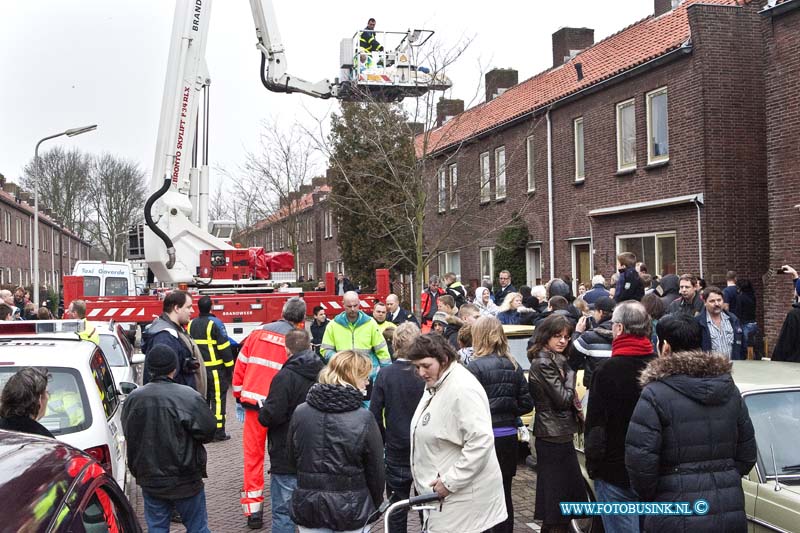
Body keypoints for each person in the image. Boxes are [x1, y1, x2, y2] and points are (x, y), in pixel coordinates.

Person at [625, 314, 757, 533]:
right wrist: (723, 476)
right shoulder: (729, 389)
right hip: (728, 507)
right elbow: (747, 454)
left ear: (665, 346)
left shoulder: (655, 394)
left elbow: (641, 463)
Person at [408, 334, 507, 533]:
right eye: (417, 367)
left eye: (426, 365)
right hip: (446, 500)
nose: (421, 372)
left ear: (444, 359)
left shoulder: (462, 388)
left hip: (462, 502)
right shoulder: (438, 382)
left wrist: (449, 482)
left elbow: (480, 441)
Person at [122, 345, 217, 533]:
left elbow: (129, 431)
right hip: (185, 477)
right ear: (174, 368)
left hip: (150, 478)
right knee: (198, 527)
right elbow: (208, 431)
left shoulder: (134, 399)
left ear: (149, 368)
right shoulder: (188, 396)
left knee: (157, 527)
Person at [287, 350, 384, 532]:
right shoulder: (363, 418)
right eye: (364, 376)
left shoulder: (301, 412)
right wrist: (375, 503)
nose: (367, 381)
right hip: (352, 507)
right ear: (353, 377)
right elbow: (376, 470)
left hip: (309, 504)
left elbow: (292, 459)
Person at [233, 297, 306, 529]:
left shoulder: (258, 333)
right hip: (282, 412)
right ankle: (291, 507)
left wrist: (238, 397)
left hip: (254, 406)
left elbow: (241, 365)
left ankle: (254, 512)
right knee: (285, 459)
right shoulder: (296, 340)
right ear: (302, 320)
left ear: (283, 313)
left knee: (253, 458)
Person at [584, 301, 655, 533]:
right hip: (652, 470)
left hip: (614, 472)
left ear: (620, 329)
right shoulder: (660, 367)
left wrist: (594, 467)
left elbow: (595, 425)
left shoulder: (606, 371)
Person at [467, 317, 533, 533]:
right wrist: (508, 409)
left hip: (484, 438)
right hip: (508, 438)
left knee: (482, 494)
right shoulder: (513, 364)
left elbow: (466, 406)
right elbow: (526, 403)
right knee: (505, 492)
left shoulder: (473, 368)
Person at [258, 329, 324, 533]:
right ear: (309, 345)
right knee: (316, 515)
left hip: (286, 454)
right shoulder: (324, 373)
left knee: (283, 512)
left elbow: (272, 415)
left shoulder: (284, 377)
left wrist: (263, 411)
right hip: (317, 453)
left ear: (286, 349)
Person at [528, 315, 586, 533]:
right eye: (557, 336)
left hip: (559, 434)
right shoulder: (544, 362)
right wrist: (571, 375)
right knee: (556, 502)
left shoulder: (556, 360)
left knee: (559, 503)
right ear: (546, 337)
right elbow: (562, 399)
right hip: (552, 436)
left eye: (566, 337)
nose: (563, 341)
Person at [369, 322, 424, 533]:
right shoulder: (425, 373)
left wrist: (383, 440)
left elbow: (374, 413)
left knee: (397, 506)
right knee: (427, 505)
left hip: (396, 446)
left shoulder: (386, 374)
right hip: (424, 447)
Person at [188, 296, 235, 441]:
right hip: (215, 370)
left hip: (198, 371)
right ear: (211, 308)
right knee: (218, 400)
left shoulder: (191, 324)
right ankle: (218, 432)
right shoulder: (215, 324)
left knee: (203, 400)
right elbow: (224, 348)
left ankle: (203, 430)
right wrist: (230, 369)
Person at [141, 291, 206, 397]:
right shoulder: (165, 337)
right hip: (179, 407)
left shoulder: (174, 331)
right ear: (176, 308)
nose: (192, 311)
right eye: (188, 307)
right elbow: (163, 385)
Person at [569, 296, 616, 390]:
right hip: (618, 387)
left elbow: (572, 357)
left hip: (595, 388)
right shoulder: (624, 334)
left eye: (595, 311)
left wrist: (577, 332)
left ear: (601, 312)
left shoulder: (590, 337)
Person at [0, 367, 54, 438]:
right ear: (39, 400)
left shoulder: (3, 431)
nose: (48, 397)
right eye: (47, 393)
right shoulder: (46, 441)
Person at [695, 286, 745, 360]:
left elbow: (742, 345)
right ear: (705, 302)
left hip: (734, 367)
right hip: (711, 369)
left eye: (719, 300)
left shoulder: (733, 319)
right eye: (712, 301)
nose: (717, 304)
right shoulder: (698, 322)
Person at [735, 279, 759, 358]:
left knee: (745, 347)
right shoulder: (753, 296)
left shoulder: (740, 297)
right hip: (754, 323)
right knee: (753, 345)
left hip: (745, 324)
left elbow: (738, 311)